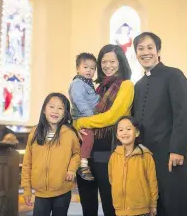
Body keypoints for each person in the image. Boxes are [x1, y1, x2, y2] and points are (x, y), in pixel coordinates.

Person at [132, 32, 187, 216]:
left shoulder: (174, 75)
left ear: (158, 50)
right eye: (140, 48)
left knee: (176, 204)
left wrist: (177, 149)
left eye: (150, 48)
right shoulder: (138, 85)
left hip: (170, 154)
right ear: (136, 53)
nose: (145, 52)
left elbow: (184, 114)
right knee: (154, 205)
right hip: (147, 156)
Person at [74, 44, 134, 216]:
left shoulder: (126, 85)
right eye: (104, 62)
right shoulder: (97, 88)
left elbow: (113, 116)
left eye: (112, 61)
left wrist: (81, 123)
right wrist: (75, 124)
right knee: (88, 205)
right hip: (86, 152)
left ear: (120, 62)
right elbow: (79, 110)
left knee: (111, 205)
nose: (108, 65)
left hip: (108, 153)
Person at [21, 92, 81, 216]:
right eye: (51, 106)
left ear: (65, 113)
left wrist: (71, 169)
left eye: (60, 108)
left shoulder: (69, 134)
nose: (55, 111)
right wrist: (26, 188)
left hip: (62, 190)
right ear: (44, 109)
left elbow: (76, 154)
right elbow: (27, 163)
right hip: (41, 192)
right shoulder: (34, 134)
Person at [109, 116, 158, 216]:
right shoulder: (114, 156)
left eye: (128, 129)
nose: (125, 132)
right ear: (117, 135)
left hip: (141, 209)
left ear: (137, 132)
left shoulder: (146, 155)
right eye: (121, 130)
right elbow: (112, 180)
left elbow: (152, 182)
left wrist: (153, 204)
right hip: (120, 210)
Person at [69, 52, 99, 181]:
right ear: (77, 68)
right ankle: (83, 164)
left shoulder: (88, 83)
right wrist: (92, 117)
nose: (89, 70)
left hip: (88, 117)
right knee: (88, 136)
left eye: (92, 68)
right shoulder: (77, 83)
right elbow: (79, 100)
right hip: (82, 118)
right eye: (85, 67)